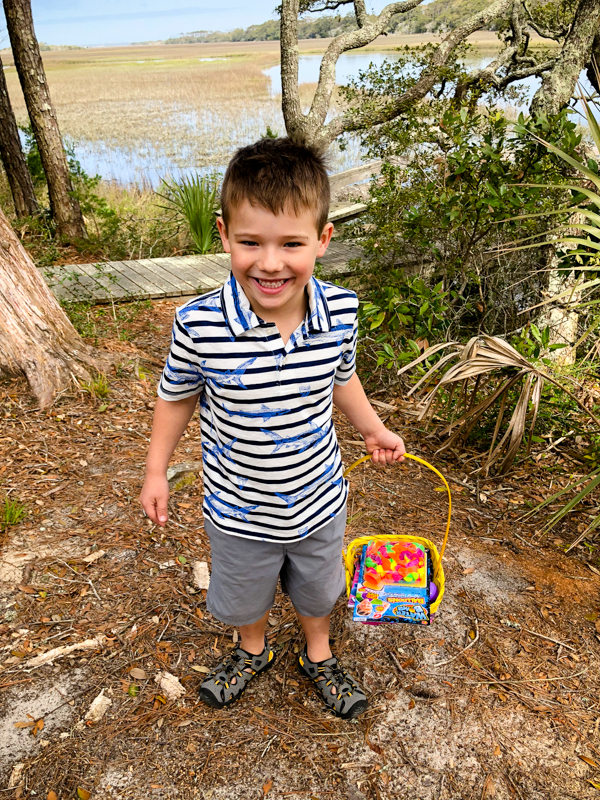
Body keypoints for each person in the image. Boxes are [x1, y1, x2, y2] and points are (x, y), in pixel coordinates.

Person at [140, 138, 405, 720]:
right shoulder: (199, 324)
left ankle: (318, 652)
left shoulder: (340, 313)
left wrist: (373, 429)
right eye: (251, 242)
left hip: (318, 501)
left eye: (291, 243)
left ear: (323, 239)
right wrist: (156, 470)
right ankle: (252, 649)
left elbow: (343, 378)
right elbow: (176, 397)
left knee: (318, 590)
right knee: (245, 594)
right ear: (223, 234)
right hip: (238, 508)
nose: (270, 263)